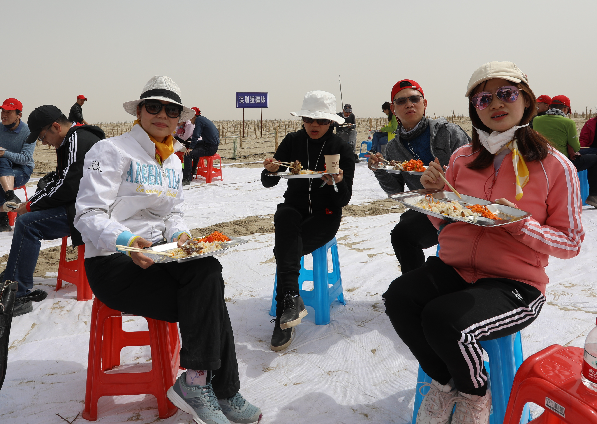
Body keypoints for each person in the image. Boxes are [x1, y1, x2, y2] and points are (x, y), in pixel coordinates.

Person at [383, 61, 584, 424]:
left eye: (507, 93)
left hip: (514, 284)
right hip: (455, 268)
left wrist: (521, 225)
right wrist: (437, 197)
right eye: (484, 99)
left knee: (442, 319)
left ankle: (475, 395)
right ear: (475, 109)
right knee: (399, 297)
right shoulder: (462, 158)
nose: (496, 104)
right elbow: (447, 223)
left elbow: (570, 243)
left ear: (526, 100)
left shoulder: (555, 166)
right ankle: (446, 383)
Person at [74, 76, 261, 424]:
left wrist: (183, 237)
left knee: (208, 270)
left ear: (179, 119)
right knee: (208, 300)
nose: (162, 115)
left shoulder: (173, 160)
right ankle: (217, 388)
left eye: (171, 110)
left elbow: (172, 214)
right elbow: (88, 213)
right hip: (114, 264)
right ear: (140, 111)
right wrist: (127, 241)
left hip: (160, 256)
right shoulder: (110, 150)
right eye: (154, 107)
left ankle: (201, 383)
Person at [261, 91, 356, 352]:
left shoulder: (341, 149)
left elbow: (344, 198)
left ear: (331, 122)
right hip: (294, 209)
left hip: (325, 216)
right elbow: (268, 181)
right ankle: (291, 302)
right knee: (284, 216)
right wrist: (271, 170)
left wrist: (337, 182)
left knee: (285, 249)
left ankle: (284, 315)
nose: (314, 125)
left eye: (321, 120)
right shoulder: (292, 141)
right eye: (308, 119)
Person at [0, 106, 104, 316]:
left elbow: (68, 185)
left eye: (43, 137)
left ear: (55, 127)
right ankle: (11, 278)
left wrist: (30, 206)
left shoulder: (76, 140)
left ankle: (18, 294)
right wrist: (30, 204)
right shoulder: (72, 139)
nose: (44, 143)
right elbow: (60, 180)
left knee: (27, 223)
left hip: (91, 210)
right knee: (28, 216)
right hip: (82, 204)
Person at [367, 79, 470, 273]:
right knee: (401, 234)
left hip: (463, 205)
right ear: (393, 109)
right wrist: (380, 170)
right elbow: (395, 190)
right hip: (429, 208)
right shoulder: (393, 148)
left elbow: (474, 172)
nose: (409, 104)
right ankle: (414, 281)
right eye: (401, 101)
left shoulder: (448, 132)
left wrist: (448, 178)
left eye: (414, 99)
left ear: (425, 103)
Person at [533, 95, 597, 209]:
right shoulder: (568, 123)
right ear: (565, 109)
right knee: (596, 160)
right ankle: (594, 196)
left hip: (542, 161)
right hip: (562, 163)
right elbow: (576, 147)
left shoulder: (536, 120)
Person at [0, 98, 35, 232]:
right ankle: (11, 198)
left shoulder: (28, 132)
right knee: (2, 162)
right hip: (3, 167)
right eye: (3, 111)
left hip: (22, 170)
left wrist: (4, 153)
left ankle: (4, 219)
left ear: (19, 115)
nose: (4, 115)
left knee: (2, 162)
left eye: (8, 112)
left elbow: (25, 159)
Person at [182, 107, 220, 185]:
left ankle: (187, 178)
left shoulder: (199, 121)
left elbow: (196, 135)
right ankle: (193, 171)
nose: (189, 120)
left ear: (193, 116)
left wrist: (191, 148)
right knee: (191, 145)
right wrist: (191, 145)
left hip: (210, 148)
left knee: (188, 154)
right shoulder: (202, 119)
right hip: (211, 144)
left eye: (190, 118)